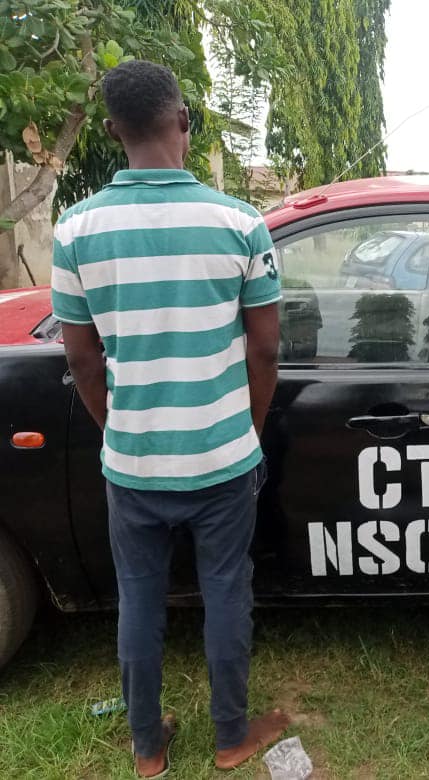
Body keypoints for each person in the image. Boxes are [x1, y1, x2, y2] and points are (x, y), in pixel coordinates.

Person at [51, 60, 289, 777]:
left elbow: (84, 363)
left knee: (139, 602)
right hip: (222, 458)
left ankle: (149, 749)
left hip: (132, 461)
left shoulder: (75, 230)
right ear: (183, 122)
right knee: (225, 592)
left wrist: (118, 430)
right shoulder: (239, 222)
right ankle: (230, 738)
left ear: (113, 130)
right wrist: (243, 429)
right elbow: (267, 350)